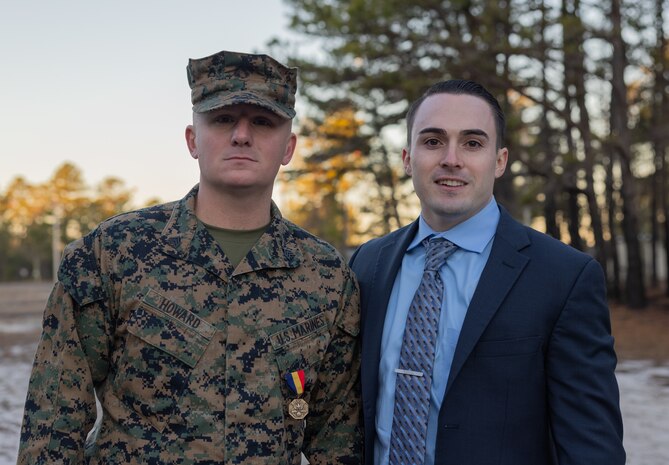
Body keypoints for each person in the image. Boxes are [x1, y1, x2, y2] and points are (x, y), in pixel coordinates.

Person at [17, 50, 362, 465]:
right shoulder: (113, 252)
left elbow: (338, 441)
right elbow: (53, 423)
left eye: (263, 122)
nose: (241, 135)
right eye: (221, 119)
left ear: (288, 147)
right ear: (192, 140)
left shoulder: (325, 276)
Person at [349, 79, 625, 465]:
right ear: (407, 158)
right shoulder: (367, 265)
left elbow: (591, 446)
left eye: (473, 143)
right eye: (432, 141)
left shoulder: (564, 277)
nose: (451, 159)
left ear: (499, 161)